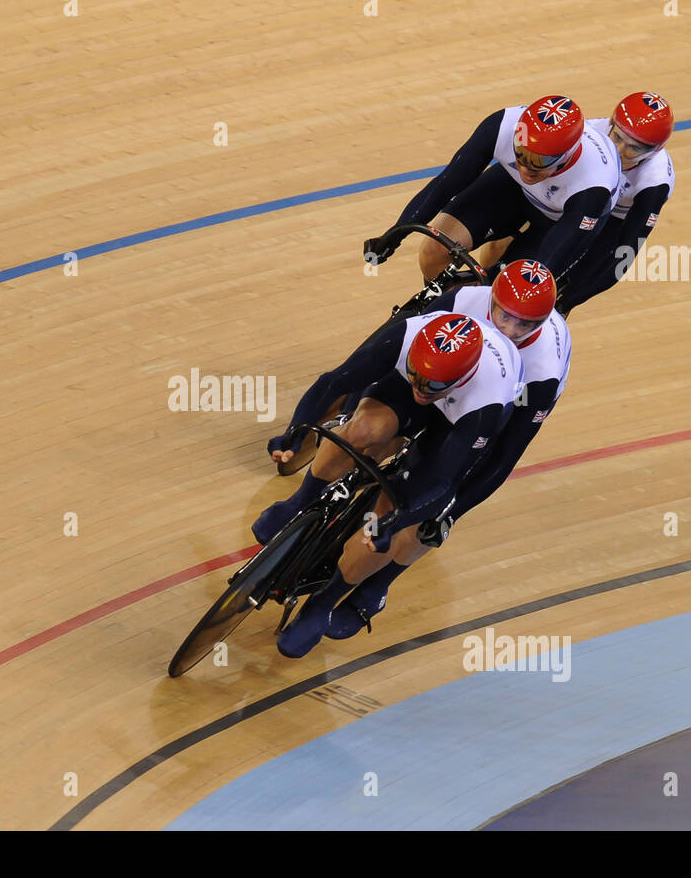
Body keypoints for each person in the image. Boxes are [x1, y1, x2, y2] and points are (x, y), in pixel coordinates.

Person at [323, 259, 571, 639]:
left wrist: (453, 508)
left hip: (492, 415)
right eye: (504, 316)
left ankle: (377, 587)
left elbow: (503, 457)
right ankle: (321, 503)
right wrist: (354, 407)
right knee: (368, 428)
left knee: (428, 517)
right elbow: (395, 353)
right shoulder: (464, 300)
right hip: (442, 382)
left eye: (526, 325)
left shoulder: (542, 371)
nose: (511, 330)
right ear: (492, 299)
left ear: (543, 321)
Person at [251, 312, 524, 658]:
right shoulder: (407, 337)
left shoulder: (484, 405)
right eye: (415, 376)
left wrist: (393, 522)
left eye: (432, 387)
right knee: (362, 430)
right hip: (434, 373)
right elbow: (334, 382)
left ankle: (322, 606)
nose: (421, 391)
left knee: (383, 526)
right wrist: (295, 430)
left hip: (457, 422)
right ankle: (299, 502)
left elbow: (441, 480)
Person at [363, 95, 620, 284]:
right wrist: (394, 234)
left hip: (560, 220)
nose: (527, 167)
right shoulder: (501, 126)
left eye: (539, 161)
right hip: (512, 189)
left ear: (566, 156)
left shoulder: (592, 185)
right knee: (434, 250)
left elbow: (552, 259)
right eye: (521, 153)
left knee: (510, 289)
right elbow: (446, 184)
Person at [479, 92, 675, 316]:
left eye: (634, 148)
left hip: (610, 222)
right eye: (618, 137)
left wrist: (569, 301)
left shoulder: (654, 183)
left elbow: (626, 251)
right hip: (565, 204)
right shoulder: (590, 133)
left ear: (656, 150)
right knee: (498, 246)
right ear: (611, 124)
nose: (620, 152)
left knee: (551, 283)